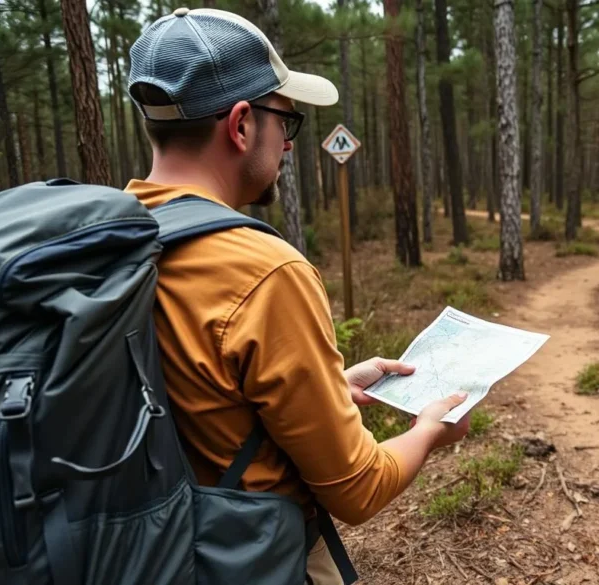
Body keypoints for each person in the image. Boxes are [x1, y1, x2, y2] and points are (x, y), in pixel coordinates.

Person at [124, 7, 471, 584]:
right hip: (242, 558)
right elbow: (359, 490)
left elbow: (190, 399)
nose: (288, 145)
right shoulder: (265, 272)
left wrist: (326, 387)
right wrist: (429, 429)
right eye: (286, 122)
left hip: (141, 550)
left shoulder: (111, 241)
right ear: (240, 125)